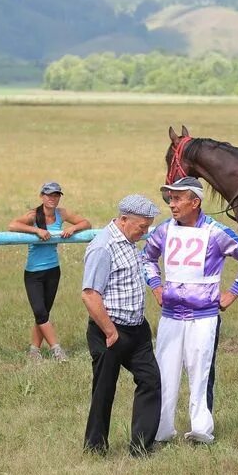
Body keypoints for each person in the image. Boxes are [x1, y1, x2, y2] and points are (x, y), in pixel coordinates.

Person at [142, 176, 238, 445]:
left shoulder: (216, 232)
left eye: (177, 198)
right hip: (170, 316)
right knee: (164, 373)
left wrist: (232, 293)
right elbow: (146, 257)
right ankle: (161, 430)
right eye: (170, 198)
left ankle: (201, 430)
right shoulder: (164, 230)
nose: (172, 204)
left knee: (200, 372)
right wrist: (156, 287)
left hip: (204, 317)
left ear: (195, 202)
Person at [81, 194, 162, 457]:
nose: (145, 231)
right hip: (109, 331)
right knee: (104, 389)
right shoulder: (103, 247)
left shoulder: (129, 241)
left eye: (148, 227)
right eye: (142, 226)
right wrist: (110, 331)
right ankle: (95, 448)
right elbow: (90, 295)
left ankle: (141, 447)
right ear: (124, 219)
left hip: (137, 329)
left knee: (151, 381)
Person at [8, 181, 90, 361]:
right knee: (40, 312)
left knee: (44, 312)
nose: (52, 198)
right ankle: (57, 350)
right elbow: (12, 225)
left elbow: (86, 223)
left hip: (53, 270)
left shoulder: (62, 214)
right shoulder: (34, 215)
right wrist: (35, 230)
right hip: (33, 273)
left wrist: (73, 228)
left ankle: (34, 351)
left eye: (56, 195)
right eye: (49, 195)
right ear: (42, 197)